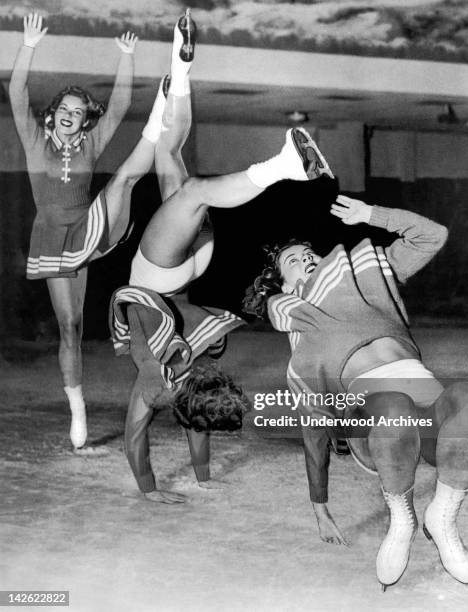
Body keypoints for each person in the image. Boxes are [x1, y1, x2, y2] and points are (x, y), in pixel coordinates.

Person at [108, 10, 334, 502]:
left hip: (163, 274)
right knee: (181, 177)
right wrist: (202, 479)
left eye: (209, 384)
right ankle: (276, 158)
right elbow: (190, 431)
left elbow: (136, 430)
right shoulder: (198, 370)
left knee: (183, 179)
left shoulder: (161, 376)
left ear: (194, 393)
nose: (215, 376)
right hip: (183, 273)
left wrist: (149, 491)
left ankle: (189, 77)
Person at [243, 193, 468, 589]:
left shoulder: (367, 277)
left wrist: (371, 215)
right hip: (371, 421)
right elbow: (314, 435)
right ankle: (402, 519)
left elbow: (432, 235)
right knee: (392, 407)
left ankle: (441, 517)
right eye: (294, 260)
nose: (306, 259)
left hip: (423, 406)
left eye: (309, 253)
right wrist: (320, 507)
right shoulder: (300, 327)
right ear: (284, 284)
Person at [9, 13, 138, 452]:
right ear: (55, 114)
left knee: (77, 324)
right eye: (64, 109)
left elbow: (119, 106)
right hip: (49, 235)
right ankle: (77, 409)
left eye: (78, 112)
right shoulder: (34, 141)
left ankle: (79, 398)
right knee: (68, 325)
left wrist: (126, 57)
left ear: (85, 121)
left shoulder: (91, 144)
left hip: (84, 230)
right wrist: (28, 46)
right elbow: (16, 92)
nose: (69, 115)